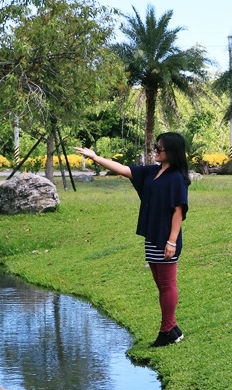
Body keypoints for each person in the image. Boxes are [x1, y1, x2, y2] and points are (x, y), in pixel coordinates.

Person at [74, 132, 190, 347]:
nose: (155, 151)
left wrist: (172, 241)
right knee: (161, 284)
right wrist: (95, 157)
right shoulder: (154, 172)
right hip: (153, 235)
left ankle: (167, 331)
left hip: (166, 238)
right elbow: (124, 169)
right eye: (155, 147)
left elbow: (178, 211)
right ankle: (172, 328)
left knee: (167, 285)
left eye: (159, 149)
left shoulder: (176, 178)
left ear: (171, 152)